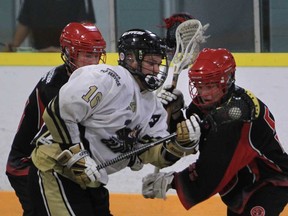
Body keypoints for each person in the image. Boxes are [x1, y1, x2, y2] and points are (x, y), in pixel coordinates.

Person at [27, 29, 201, 216]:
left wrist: (180, 145)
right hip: (57, 169)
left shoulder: (152, 106)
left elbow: (152, 152)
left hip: (92, 180)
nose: (157, 70)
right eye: (151, 63)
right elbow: (58, 112)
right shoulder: (106, 78)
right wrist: (76, 155)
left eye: (158, 64)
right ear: (130, 59)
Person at [142, 48, 288, 216]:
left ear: (228, 79)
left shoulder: (238, 113)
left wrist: (172, 181)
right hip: (241, 183)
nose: (204, 94)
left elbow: (215, 167)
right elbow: (189, 140)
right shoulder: (209, 102)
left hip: (268, 183)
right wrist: (175, 114)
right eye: (199, 86)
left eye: (210, 86)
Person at [5, 22, 106, 216]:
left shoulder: (83, 80)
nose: (93, 62)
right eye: (87, 55)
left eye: (96, 55)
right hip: (28, 165)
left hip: (57, 162)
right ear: (69, 53)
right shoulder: (56, 87)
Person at [4, 0, 95, 52]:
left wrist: (65, 51)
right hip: (38, 57)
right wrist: (13, 47)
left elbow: (86, 31)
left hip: (71, 57)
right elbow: (24, 24)